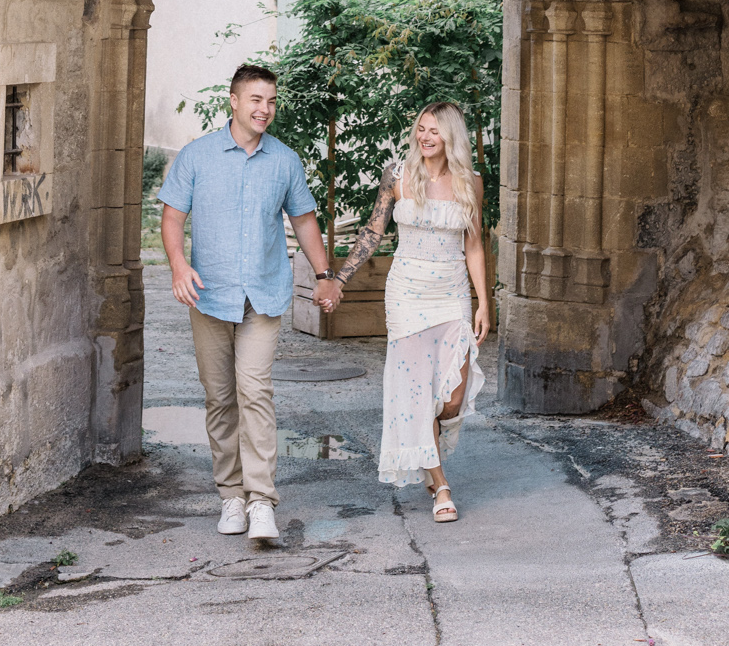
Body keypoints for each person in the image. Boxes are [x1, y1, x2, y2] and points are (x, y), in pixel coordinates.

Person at [159, 61, 337, 546]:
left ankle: (261, 502)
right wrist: (178, 266)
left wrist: (324, 276)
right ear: (233, 102)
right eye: (256, 100)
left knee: (254, 390)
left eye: (272, 101)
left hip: (263, 293)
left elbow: (303, 221)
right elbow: (172, 217)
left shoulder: (285, 161)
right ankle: (231, 496)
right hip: (209, 294)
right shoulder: (196, 156)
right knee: (220, 397)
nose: (265, 109)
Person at [313, 101, 489, 523]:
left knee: (451, 401)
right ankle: (440, 484)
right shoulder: (398, 174)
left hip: (451, 295)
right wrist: (338, 278)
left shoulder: (471, 182)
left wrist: (485, 302)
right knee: (415, 395)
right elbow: (374, 231)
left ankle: (427, 445)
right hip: (407, 295)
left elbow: (474, 246)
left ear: (451, 137)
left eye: (434, 131)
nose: (425, 137)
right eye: (421, 129)